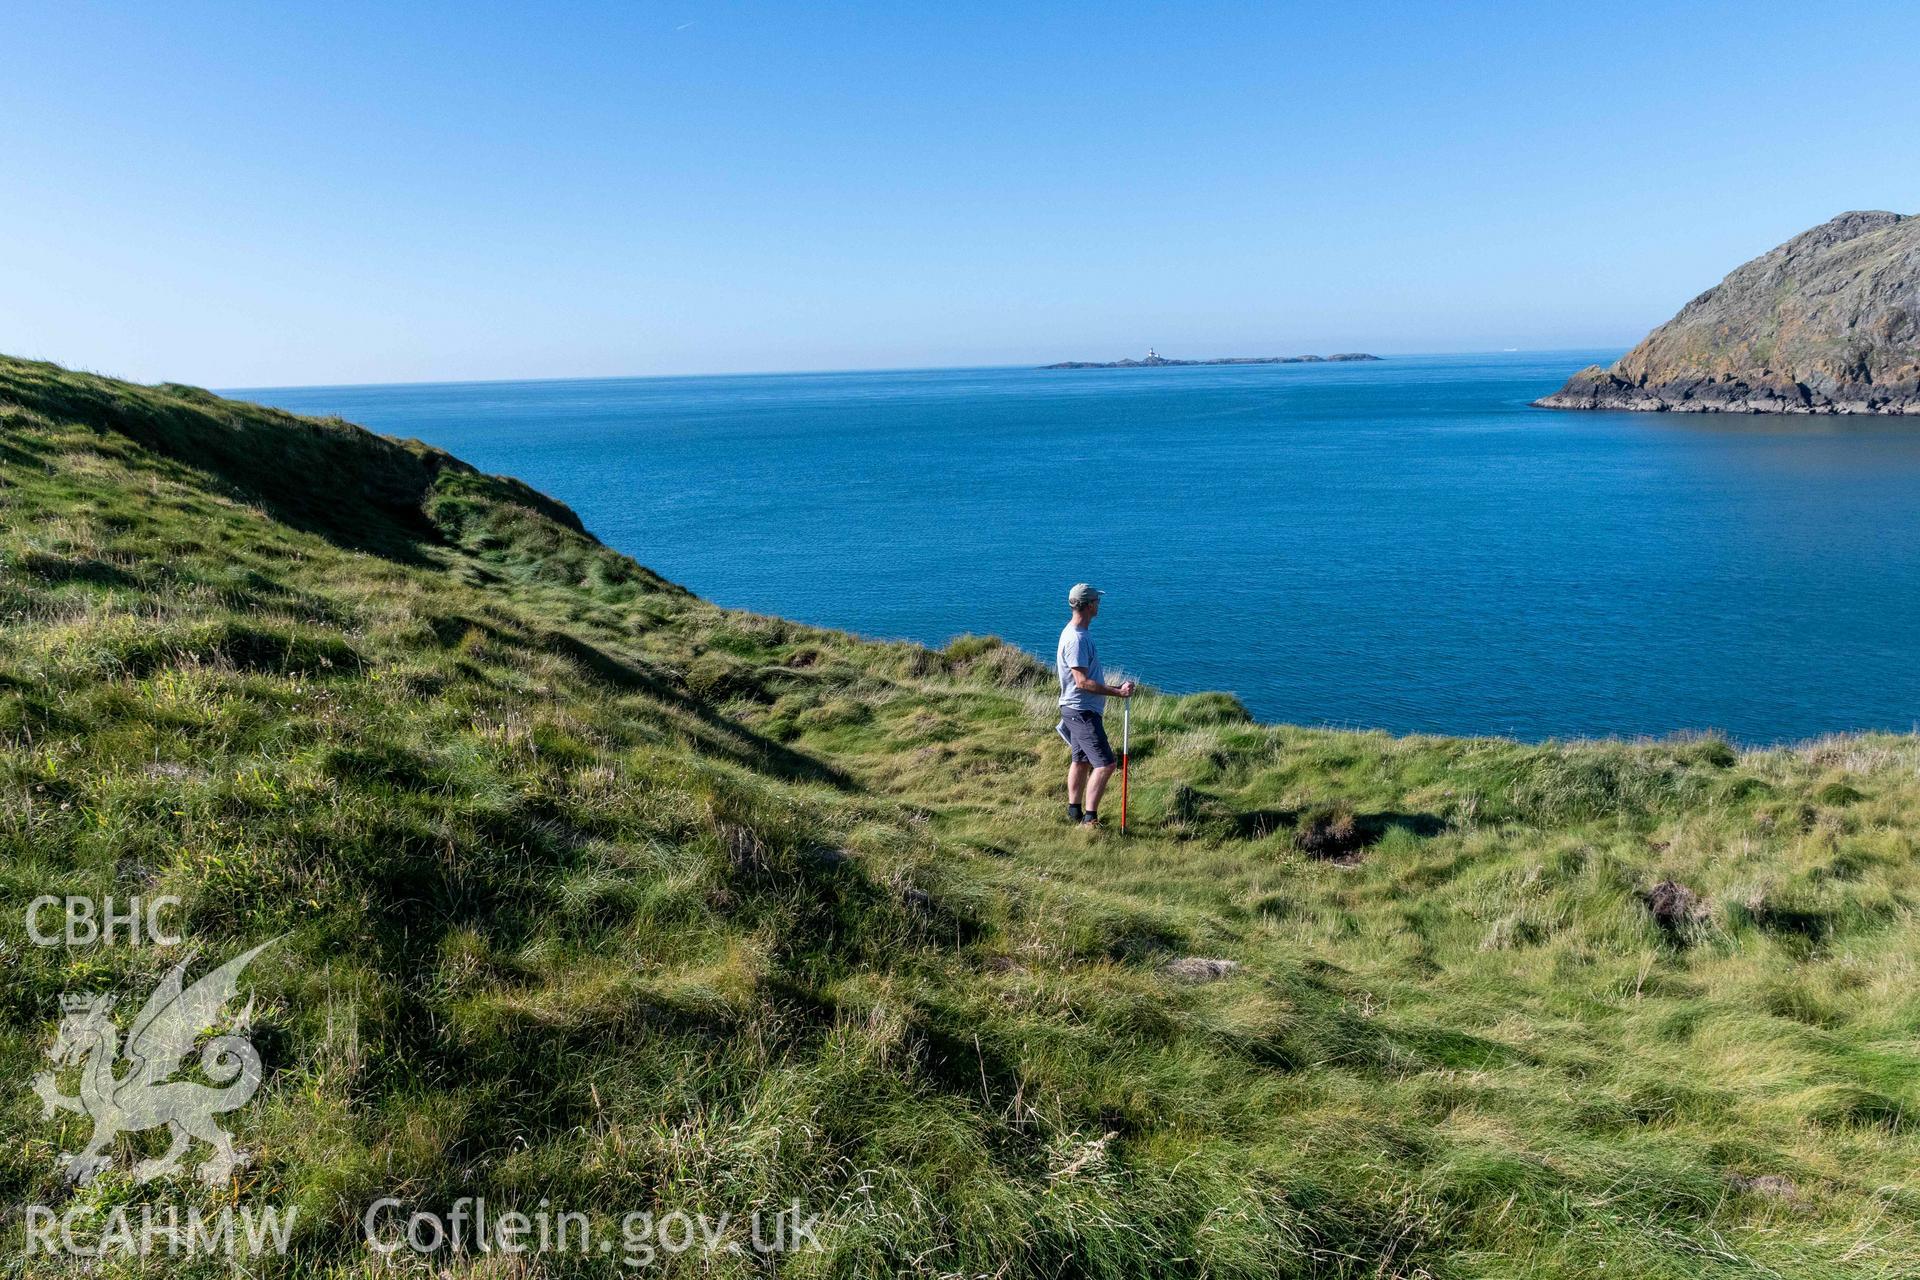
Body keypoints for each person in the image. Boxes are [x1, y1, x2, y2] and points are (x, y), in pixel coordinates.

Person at [1056, 583, 1135, 828]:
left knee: (1080, 760)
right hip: (1082, 710)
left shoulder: (1076, 632)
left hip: (1075, 709)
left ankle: (1074, 812)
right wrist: (1117, 691)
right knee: (1106, 764)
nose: (1099, 604)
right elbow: (1082, 682)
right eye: (1097, 601)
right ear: (1089, 605)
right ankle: (1090, 819)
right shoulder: (1077, 639)